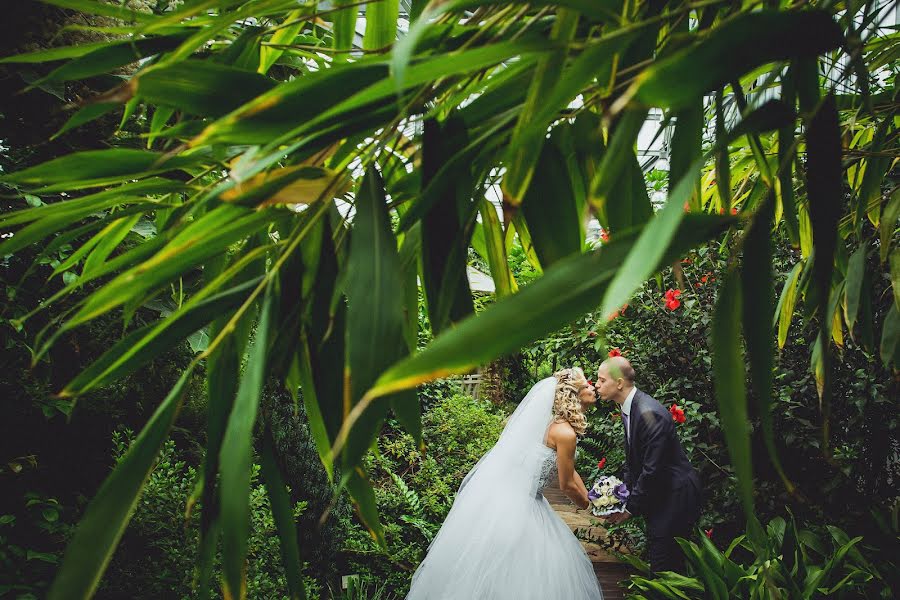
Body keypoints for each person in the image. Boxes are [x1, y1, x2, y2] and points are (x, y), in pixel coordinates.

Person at [405, 368, 603, 599]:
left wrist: (591, 496)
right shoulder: (565, 433)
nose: (592, 388)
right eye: (587, 385)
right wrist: (591, 507)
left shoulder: (552, 425)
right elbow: (567, 484)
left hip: (511, 498)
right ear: (574, 395)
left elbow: (570, 471)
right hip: (522, 507)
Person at [595, 356, 702, 573]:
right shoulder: (630, 409)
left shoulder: (648, 413)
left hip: (675, 497)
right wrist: (620, 500)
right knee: (662, 563)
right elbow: (633, 464)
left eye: (601, 380)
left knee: (665, 567)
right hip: (662, 494)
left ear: (618, 383)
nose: (596, 385)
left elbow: (653, 469)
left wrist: (629, 510)